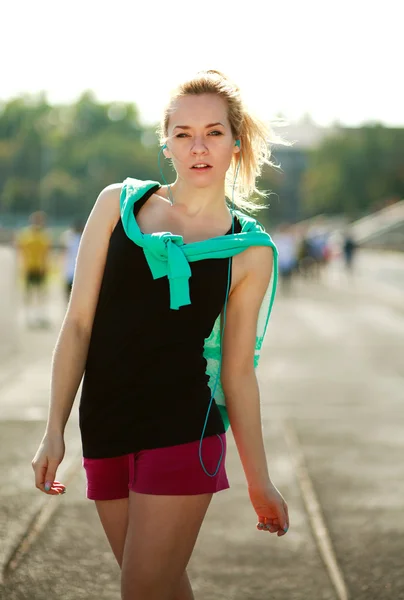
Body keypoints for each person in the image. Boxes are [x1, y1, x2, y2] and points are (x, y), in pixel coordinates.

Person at [31, 70, 290, 600]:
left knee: (142, 589)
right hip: (104, 424)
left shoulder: (248, 250)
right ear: (165, 142)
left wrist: (258, 480)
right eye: (183, 133)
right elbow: (79, 323)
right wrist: (53, 428)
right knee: (161, 587)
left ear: (235, 143)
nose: (199, 147)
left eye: (214, 133)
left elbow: (239, 373)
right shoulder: (117, 205)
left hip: (183, 429)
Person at [16, 210, 51, 327]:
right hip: (29, 267)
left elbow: (46, 253)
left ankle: (39, 313)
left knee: (41, 292)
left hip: (40, 268)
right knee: (28, 292)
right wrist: (21, 265)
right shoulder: (25, 235)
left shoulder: (44, 236)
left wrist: (46, 266)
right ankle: (28, 314)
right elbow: (20, 251)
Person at [61, 220, 84, 302]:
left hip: (72, 271)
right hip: (72, 271)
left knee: (71, 295)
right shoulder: (73, 239)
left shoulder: (71, 238)